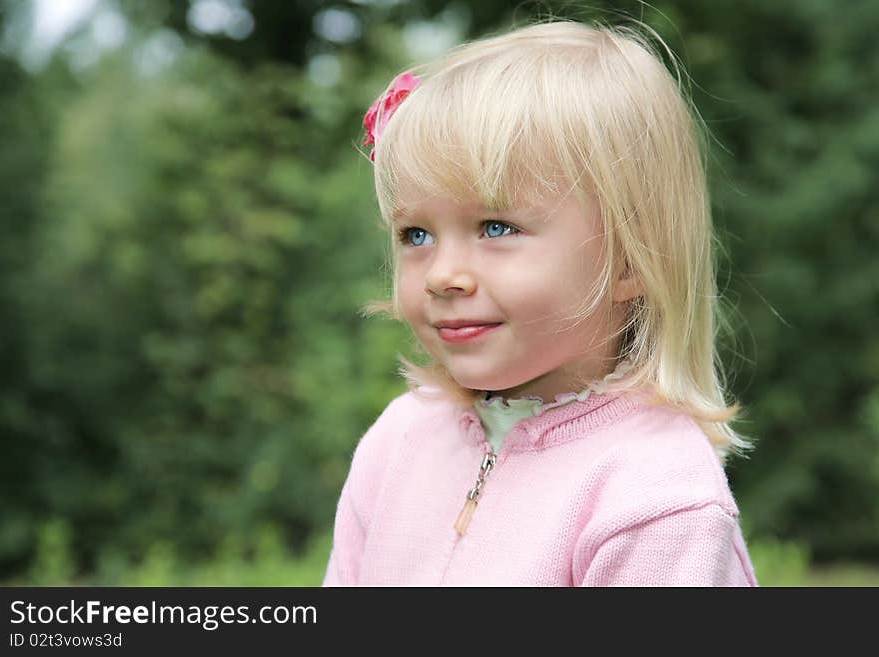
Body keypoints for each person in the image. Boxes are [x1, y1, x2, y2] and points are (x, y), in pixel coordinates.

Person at [322, 18, 759, 586]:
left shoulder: (654, 497)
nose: (443, 275)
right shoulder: (399, 440)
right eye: (416, 236)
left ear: (629, 259)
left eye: (496, 227)